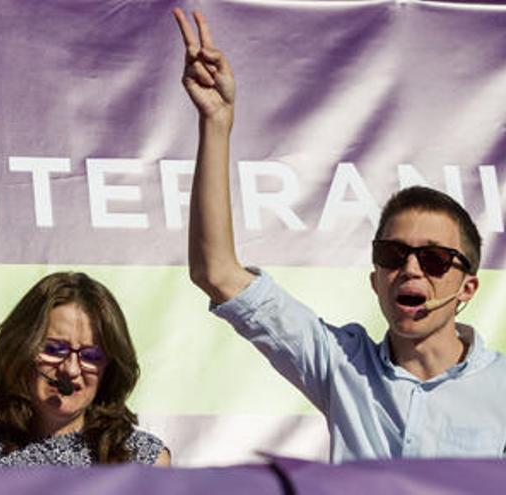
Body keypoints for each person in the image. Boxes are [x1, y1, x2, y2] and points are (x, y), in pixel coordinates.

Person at [174, 8, 506, 462]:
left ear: (467, 286)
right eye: (392, 254)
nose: (410, 268)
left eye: (433, 260)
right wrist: (215, 121)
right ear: (375, 280)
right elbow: (218, 273)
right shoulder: (342, 364)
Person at [0, 272, 170, 467]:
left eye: (91, 355)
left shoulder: (146, 460)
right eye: (54, 349)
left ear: (111, 367)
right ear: (21, 350)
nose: (70, 369)